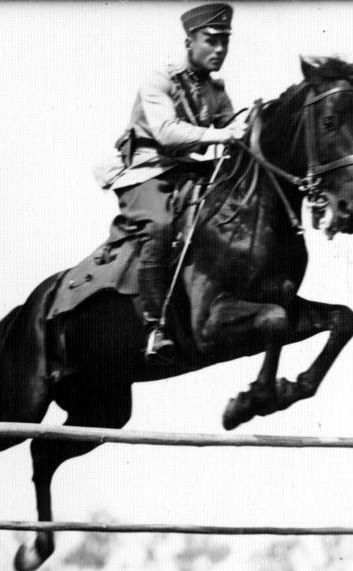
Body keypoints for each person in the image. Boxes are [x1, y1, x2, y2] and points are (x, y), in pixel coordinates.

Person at [93, 2, 248, 365]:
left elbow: (233, 130)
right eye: (211, 40)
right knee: (160, 227)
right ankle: (154, 328)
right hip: (144, 172)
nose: (220, 49)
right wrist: (224, 134)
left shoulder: (216, 90)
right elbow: (166, 132)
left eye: (225, 41)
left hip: (183, 170)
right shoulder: (159, 79)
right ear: (189, 41)